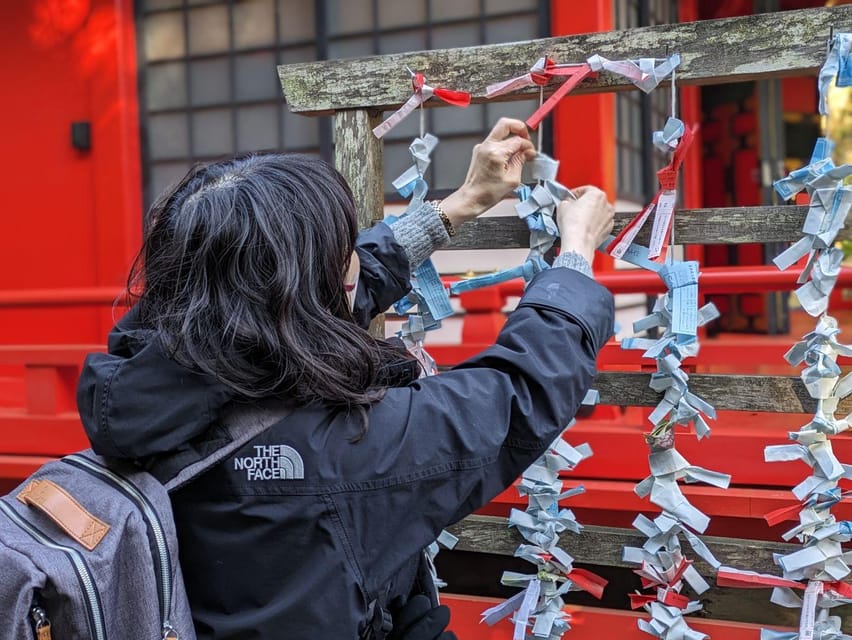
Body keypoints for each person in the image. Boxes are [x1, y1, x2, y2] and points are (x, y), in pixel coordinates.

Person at [76, 118, 615, 639]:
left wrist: (464, 201)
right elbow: (516, 394)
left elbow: (314, 299)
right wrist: (574, 257)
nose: (354, 258)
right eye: (344, 250)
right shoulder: (349, 447)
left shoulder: (146, 374)